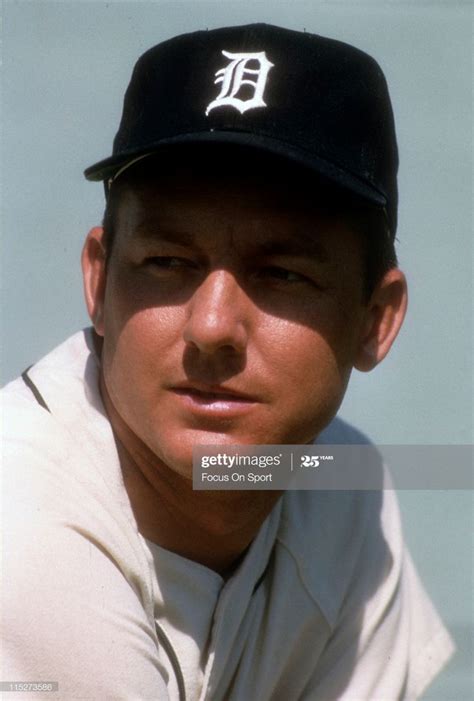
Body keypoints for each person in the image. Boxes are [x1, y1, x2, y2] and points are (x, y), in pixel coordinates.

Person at [1, 23, 454, 700]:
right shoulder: (23, 538)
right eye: (167, 263)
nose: (212, 327)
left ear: (375, 320)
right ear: (98, 283)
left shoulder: (342, 496)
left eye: (282, 275)